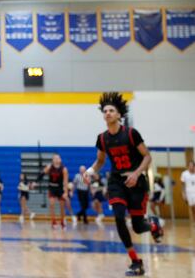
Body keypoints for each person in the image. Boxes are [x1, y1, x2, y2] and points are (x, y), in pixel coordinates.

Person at [85, 92, 163, 276]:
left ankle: (153, 225)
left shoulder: (131, 134)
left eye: (111, 110)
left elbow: (147, 156)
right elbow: (99, 162)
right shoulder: (102, 138)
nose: (108, 113)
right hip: (117, 183)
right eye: (105, 111)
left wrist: (136, 173)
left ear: (119, 114)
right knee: (119, 218)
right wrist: (85, 176)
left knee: (138, 226)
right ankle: (135, 261)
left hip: (136, 183)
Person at [43, 154, 68, 228]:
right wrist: (35, 182)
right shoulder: (49, 167)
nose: (57, 159)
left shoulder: (64, 169)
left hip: (60, 188)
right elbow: (41, 174)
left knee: (62, 206)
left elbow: (65, 181)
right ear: (53, 160)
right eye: (55, 158)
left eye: (58, 158)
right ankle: (53, 221)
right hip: (52, 187)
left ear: (60, 160)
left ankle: (62, 221)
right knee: (52, 204)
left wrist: (66, 192)